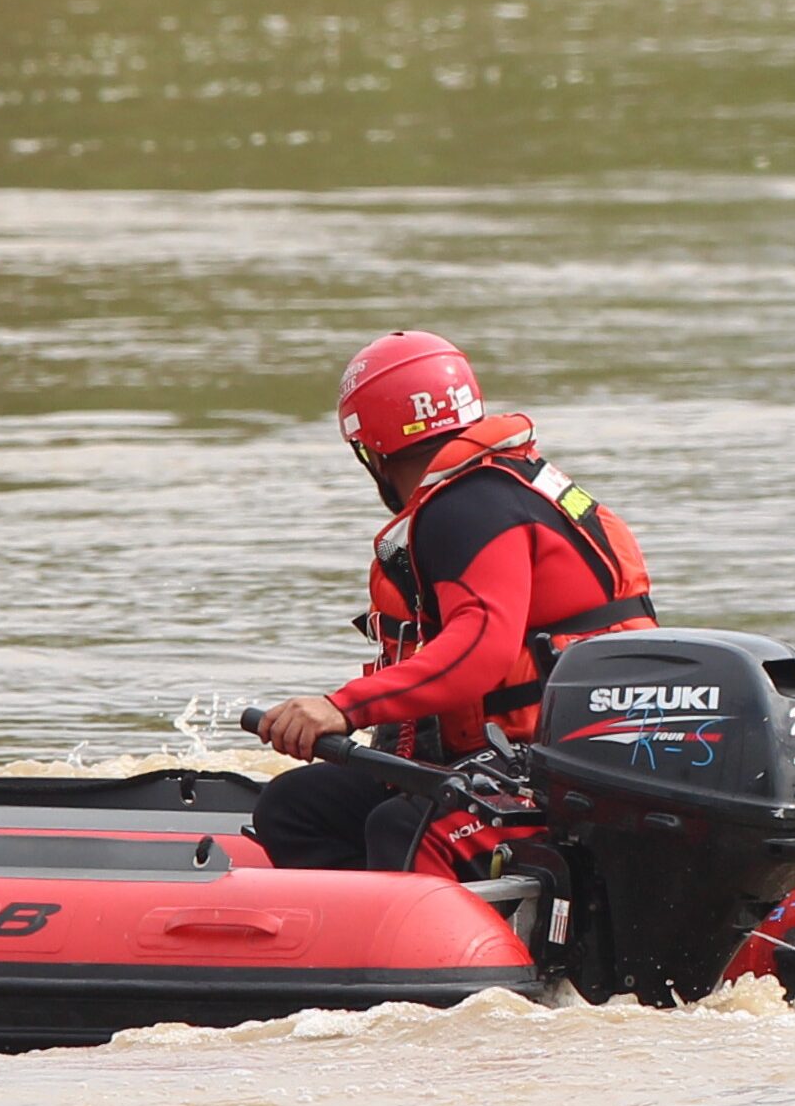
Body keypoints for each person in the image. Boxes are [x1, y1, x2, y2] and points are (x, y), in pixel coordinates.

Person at [247, 332, 655, 873]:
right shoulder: (502, 487)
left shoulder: (467, 508)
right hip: (559, 758)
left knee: (400, 825)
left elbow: (481, 650)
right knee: (298, 808)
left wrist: (342, 707)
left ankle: (420, 951)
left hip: (561, 773)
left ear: (371, 449)